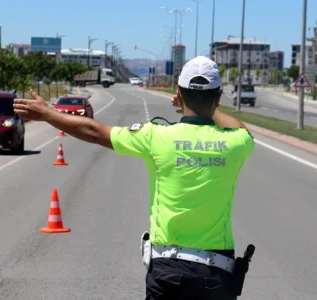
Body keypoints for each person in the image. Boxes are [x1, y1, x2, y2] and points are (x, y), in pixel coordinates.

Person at [13, 56, 255, 299]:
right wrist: (211, 108)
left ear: (179, 94)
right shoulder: (235, 142)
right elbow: (242, 129)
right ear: (218, 97)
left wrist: (48, 114)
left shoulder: (156, 136)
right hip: (216, 275)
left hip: (168, 272)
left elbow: (94, 131)